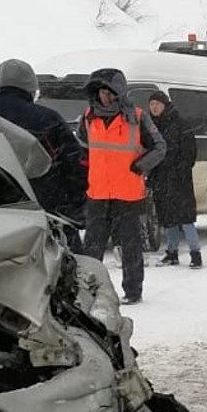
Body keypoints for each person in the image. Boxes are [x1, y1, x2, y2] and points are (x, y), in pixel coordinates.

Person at [78, 68, 166, 305]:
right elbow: (82, 149)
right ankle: (88, 291)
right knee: (93, 248)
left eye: (108, 92)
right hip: (97, 192)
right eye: (100, 93)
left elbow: (160, 147)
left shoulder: (137, 117)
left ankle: (133, 290)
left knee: (130, 247)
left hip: (127, 193)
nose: (104, 97)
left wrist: (140, 165)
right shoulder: (87, 116)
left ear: (119, 93)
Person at [0, 59, 87, 251]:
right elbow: (76, 164)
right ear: (30, 87)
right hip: (48, 212)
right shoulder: (48, 119)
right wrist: (75, 204)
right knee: (69, 270)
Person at [146, 91, 201, 269]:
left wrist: (181, 170)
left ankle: (195, 254)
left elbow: (189, 151)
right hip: (161, 179)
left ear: (165, 105)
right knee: (168, 218)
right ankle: (172, 253)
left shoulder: (180, 123)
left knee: (185, 218)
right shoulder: (151, 126)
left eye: (157, 104)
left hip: (179, 179)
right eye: (151, 104)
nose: (153, 107)